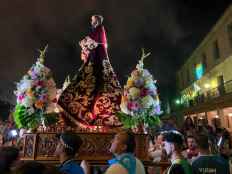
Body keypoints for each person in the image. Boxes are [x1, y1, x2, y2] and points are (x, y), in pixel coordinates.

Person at [58, 15, 122, 127]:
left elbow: (94, 42)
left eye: (93, 20)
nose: (91, 21)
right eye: (91, 20)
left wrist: (85, 44)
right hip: (94, 57)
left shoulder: (100, 28)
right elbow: (90, 42)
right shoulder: (95, 30)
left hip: (98, 58)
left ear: (97, 20)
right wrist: (86, 47)